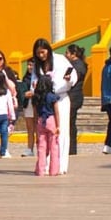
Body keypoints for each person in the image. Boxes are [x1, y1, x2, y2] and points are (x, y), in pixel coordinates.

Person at [31, 38, 77, 173]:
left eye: (43, 52)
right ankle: (44, 165)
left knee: (60, 131)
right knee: (44, 135)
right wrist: (35, 89)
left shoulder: (60, 59)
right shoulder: (37, 65)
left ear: (48, 50)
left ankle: (59, 165)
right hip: (44, 102)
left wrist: (70, 79)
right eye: (38, 53)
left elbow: (72, 73)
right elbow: (34, 80)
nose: (41, 55)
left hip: (60, 98)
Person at [32, 68, 61, 177]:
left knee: (41, 147)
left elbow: (35, 114)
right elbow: (56, 112)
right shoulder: (52, 97)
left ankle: (40, 170)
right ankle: (53, 170)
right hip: (51, 120)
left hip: (40, 121)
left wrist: (35, 126)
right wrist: (58, 125)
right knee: (54, 146)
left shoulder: (36, 98)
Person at [65, 45, 88, 157]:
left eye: (67, 53)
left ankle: (71, 149)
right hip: (74, 96)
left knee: (70, 124)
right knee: (70, 123)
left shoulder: (77, 66)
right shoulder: (79, 65)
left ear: (73, 54)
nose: (66, 55)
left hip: (73, 97)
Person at [18, 57, 39, 157]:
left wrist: (33, 93)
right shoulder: (25, 78)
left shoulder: (39, 77)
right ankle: (29, 148)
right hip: (28, 104)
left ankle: (40, 147)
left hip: (37, 104)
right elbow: (23, 93)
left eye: (32, 65)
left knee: (38, 127)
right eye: (29, 65)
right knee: (30, 128)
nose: (30, 67)